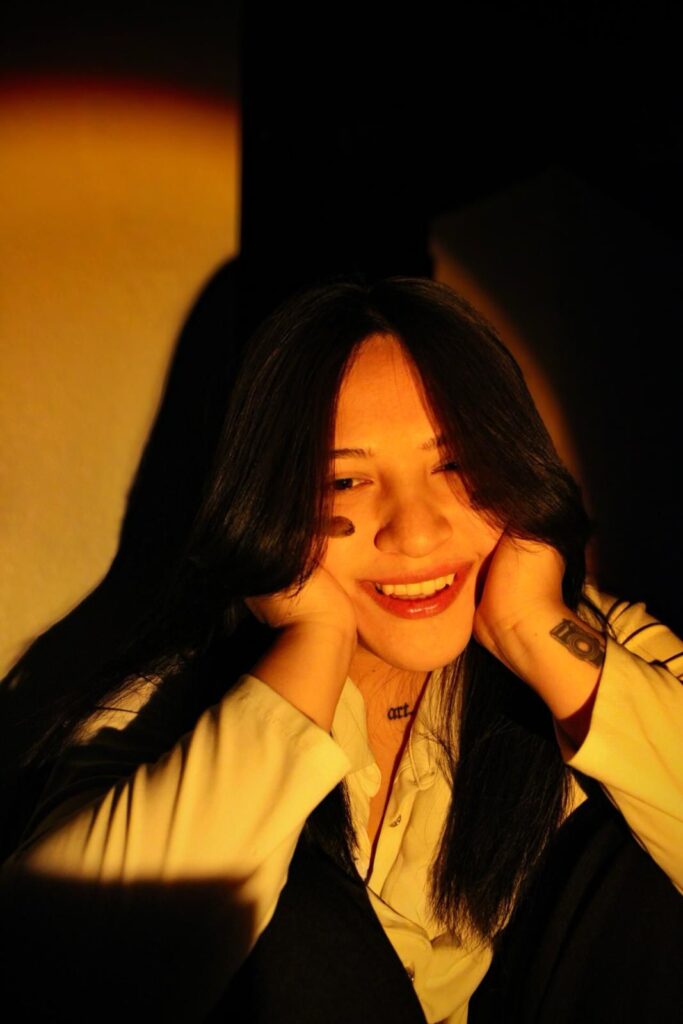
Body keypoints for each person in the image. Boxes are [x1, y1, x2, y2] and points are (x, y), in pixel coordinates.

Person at [1, 277, 681, 1022]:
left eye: (456, 466)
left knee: (639, 846)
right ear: (273, 501)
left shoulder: (588, 642)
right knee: (280, 896)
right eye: (345, 480)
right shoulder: (167, 703)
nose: (415, 533)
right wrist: (311, 648)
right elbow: (50, 971)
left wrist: (531, 631)